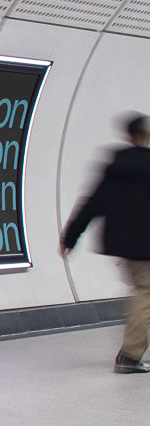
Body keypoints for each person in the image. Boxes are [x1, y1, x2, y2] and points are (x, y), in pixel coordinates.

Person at [61, 112, 150, 374]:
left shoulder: (114, 167)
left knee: (141, 292)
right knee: (145, 295)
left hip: (124, 244)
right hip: (146, 245)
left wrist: (70, 236)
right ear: (145, 135)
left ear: (128, 135)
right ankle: (129, 356)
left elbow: (92, 203)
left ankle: (133, 347)